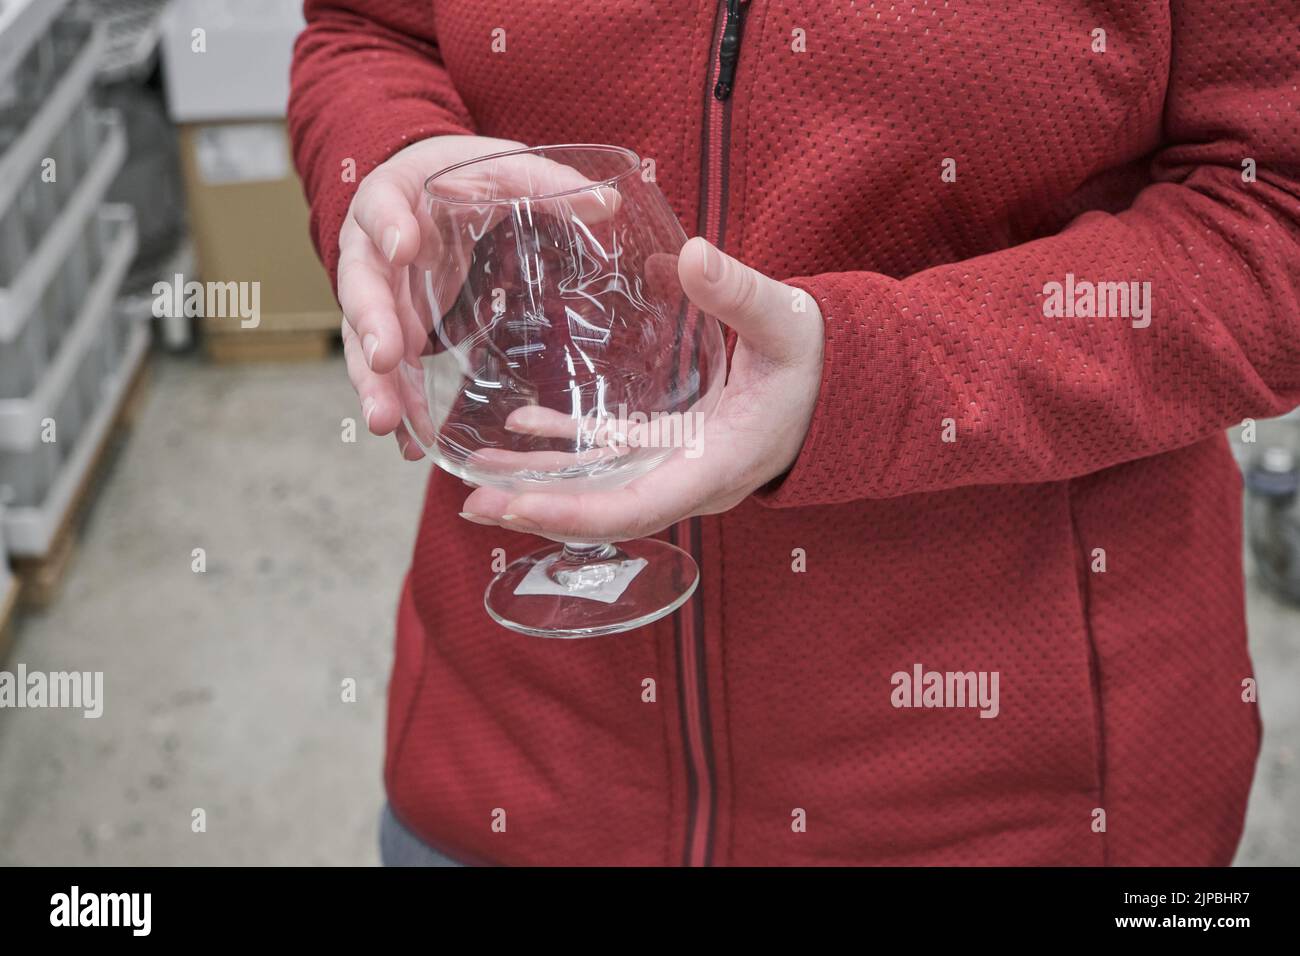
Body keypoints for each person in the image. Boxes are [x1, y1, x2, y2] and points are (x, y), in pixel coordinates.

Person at [288, 0, 1300, 866]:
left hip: (1012, 801)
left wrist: (866, 379)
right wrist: (391, 159)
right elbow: (368, 27)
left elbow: (1273, 216)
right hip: (512, 753)